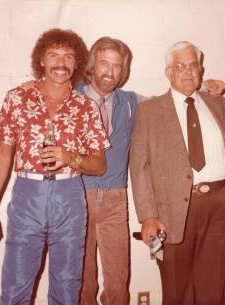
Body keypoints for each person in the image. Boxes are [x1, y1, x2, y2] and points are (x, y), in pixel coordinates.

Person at [0, 28, 109, 305]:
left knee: (67, 287)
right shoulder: (17, 98)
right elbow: (3, 155)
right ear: (40, 60)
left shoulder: (86, 106)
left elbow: (99, 164)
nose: (60, 63)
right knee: (15, 284)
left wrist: (70, 158)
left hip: (70, 196)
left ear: (77, 62)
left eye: (68, 56)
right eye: (53, 55)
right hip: (27, 196)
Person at [129, 41, 225, 305]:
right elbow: (139, 166)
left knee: (214, 287)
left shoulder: (217, 103)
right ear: (168, 72)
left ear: (200, 70)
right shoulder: (150, 111)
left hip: (219, 207)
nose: (188, 72)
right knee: (177, 289)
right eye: (180, 66)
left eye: (193, 66)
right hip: (173, 212)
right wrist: (148, 217)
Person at [76, 37, 137, 305]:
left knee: (118, 281)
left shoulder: (130, 102)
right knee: (81, 280)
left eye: (117, 66)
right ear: (92, 64)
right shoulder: (70, 96)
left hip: (115, 199)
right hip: (76, 197)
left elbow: (166, 103)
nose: (110, 72)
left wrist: (203, 87)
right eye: (104, 64)